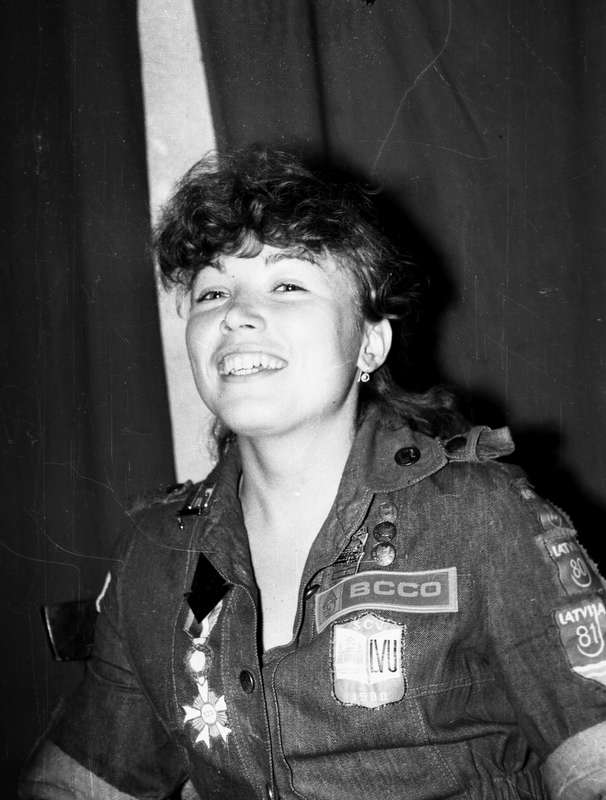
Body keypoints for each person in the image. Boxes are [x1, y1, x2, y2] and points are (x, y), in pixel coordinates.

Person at [20, 147, 606, 800]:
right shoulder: (155, 554)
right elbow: (75, 784)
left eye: (287, 285)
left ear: (369, 342)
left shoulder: (480, 515)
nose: (234, 313)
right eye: (212, 292)